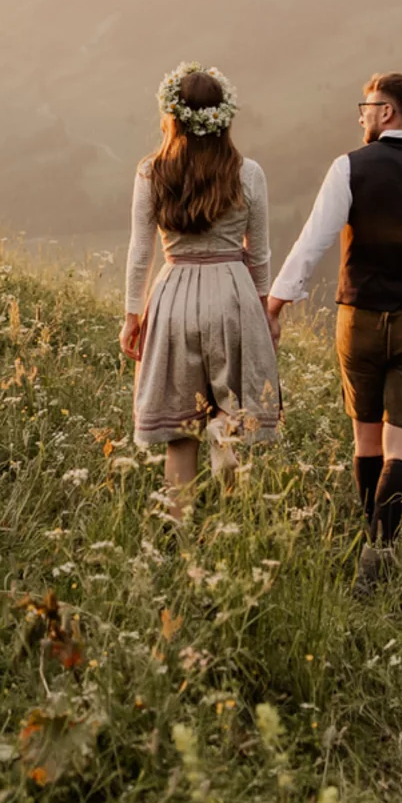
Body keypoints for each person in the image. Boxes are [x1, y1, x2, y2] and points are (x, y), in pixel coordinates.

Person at [265, 71, 402, 596]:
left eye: (366, 106)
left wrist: (276, 303)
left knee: (366, 436)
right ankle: (380, 547)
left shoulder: (350, 167)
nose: (361, 115)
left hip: (359, 319)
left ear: (387, 111)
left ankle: (369, 532)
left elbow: (313, 240)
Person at [121, 64, 282, 522]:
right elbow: (261, 250)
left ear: (171, 116)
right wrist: (266, 306)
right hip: (232, 291)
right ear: (224, 117)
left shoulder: (152, 172)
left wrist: (132, 314)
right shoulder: (248, 174)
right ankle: (231, 520)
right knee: (230, 416)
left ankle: (182, 529)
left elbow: (139, 251)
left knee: (178, 430)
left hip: (173, 295)